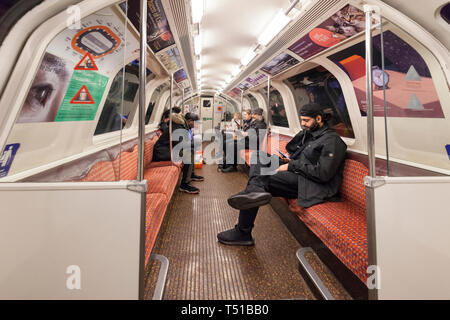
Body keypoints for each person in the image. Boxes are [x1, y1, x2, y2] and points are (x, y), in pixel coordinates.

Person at [217, 103, 347, 246]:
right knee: (258, 157)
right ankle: (255, 190)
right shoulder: (311, 134)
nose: (303, 124)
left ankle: (243, 232)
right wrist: (301, 139)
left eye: (306, 121)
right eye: (301, 120)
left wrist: (291, 165)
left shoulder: (333, 141)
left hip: (311, 183)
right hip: (298, 170)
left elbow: (323, 174)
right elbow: (291, 148)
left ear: (318, 119)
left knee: (263, 178)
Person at [153, 109, 202, 194]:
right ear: (190, 121)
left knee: (191, 151)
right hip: (163, 152)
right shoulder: (177, 126)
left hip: (169, 149)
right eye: (194, 123)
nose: (195, 125)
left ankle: (191, 174)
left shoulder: (182, 125)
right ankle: (184, 185)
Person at [220, 108, 267, 173]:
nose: (253, 116)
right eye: (252, 114)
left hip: (252, 144)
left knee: (232, 145)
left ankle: (233, 167)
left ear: (258, 115)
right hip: (246, 140)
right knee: (226, 142)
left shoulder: (262, 125)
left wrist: (247, 134)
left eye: (254, 114)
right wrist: (242, 133)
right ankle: (226, 162)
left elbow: (258, 139)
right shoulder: (254, 123)